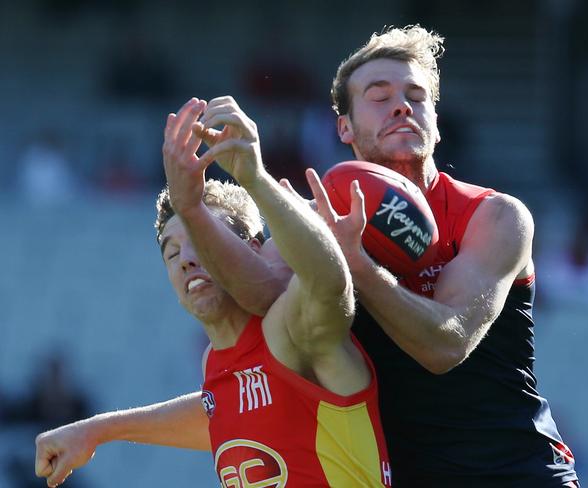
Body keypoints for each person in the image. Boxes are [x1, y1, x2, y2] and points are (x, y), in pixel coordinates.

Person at [34, 98, 391, 488]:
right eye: (172, 252)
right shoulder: (216, 364)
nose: (186, 260)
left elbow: (328, 285)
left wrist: (253, 179)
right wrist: (98, 430)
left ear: (253, 250)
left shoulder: (291, 329)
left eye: (203, 240)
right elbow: (218, 411)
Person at [307, 25, 579, 487]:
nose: (401, 105)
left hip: (518, 475)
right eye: (379, 95)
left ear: (435, 119)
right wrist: (199, 206)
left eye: (417, 96)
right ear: (344, 126)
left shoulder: (494, 216)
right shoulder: (321, 229)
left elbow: (445, 345)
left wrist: (359, 268)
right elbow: (254, 301)